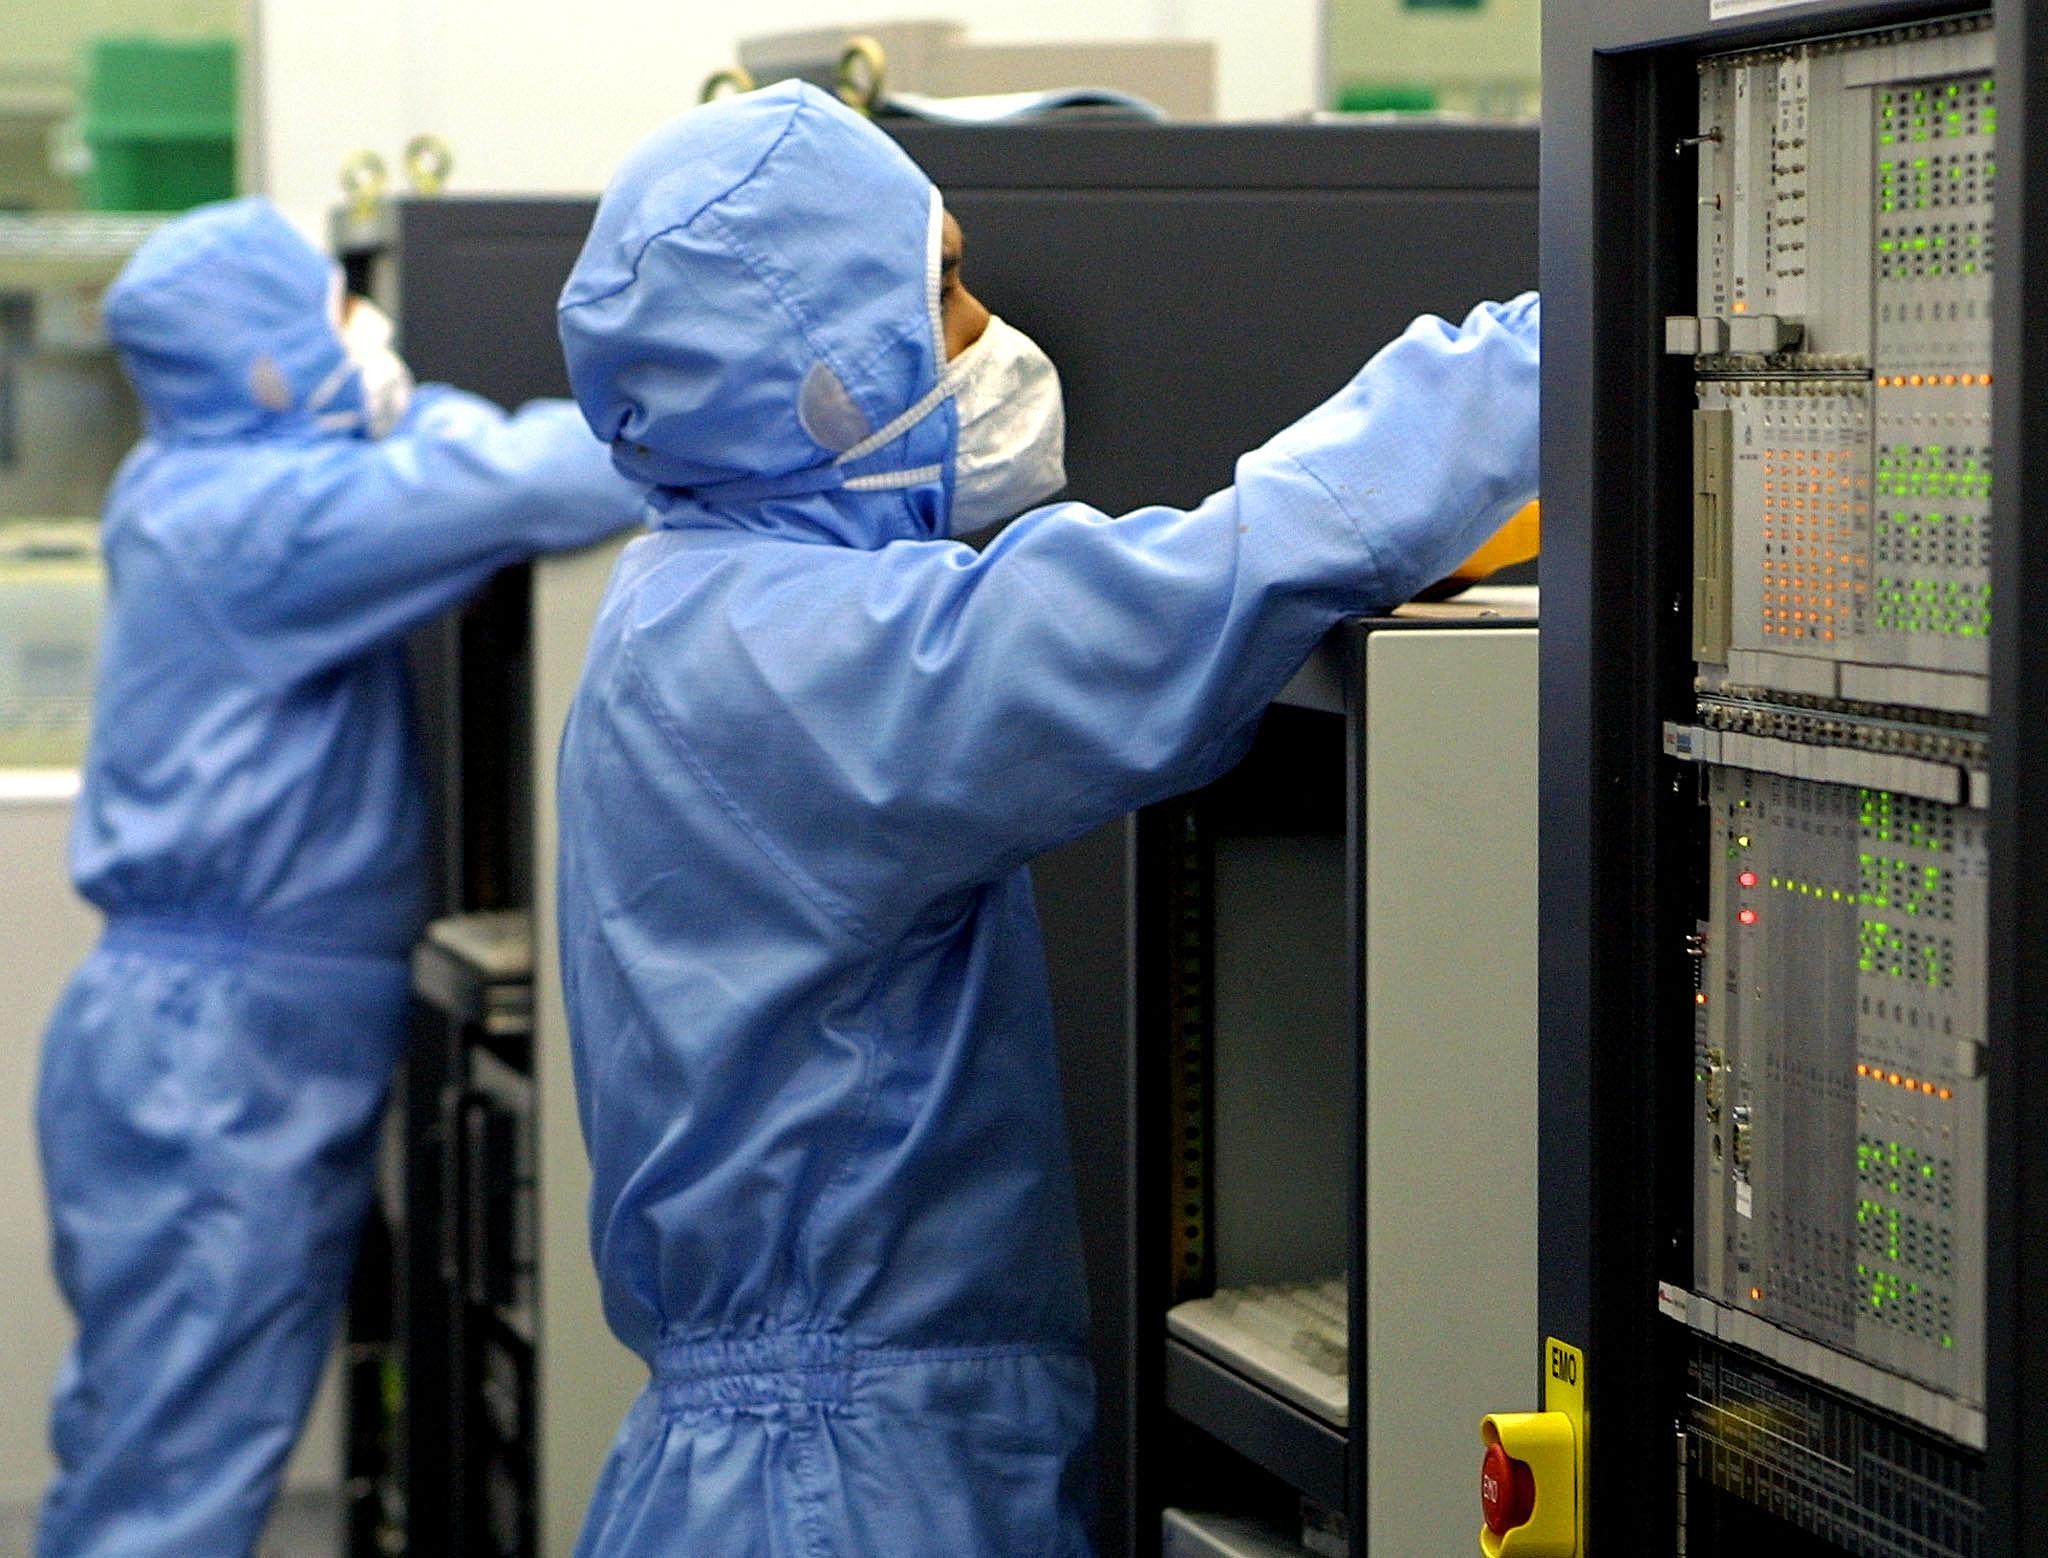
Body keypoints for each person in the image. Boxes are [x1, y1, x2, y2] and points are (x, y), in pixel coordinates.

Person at [553, 80, 1539, 1555]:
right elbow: (1200, 596)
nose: (983, 329)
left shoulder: (688, 606)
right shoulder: (804, 657)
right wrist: (1564, 333)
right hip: (844, 1487)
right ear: (818, 370)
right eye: (938, 286)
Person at [35, 195, 645, 1557]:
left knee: (146, 1436)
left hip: (187, 1032)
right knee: (174, 1476)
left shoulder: (189, 477)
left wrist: (389, 414)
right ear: (262, 357)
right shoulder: (262, 515)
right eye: (331, 307)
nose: (361, 328)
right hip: (223, 1048)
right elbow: (553, 479)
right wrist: (426, 412)